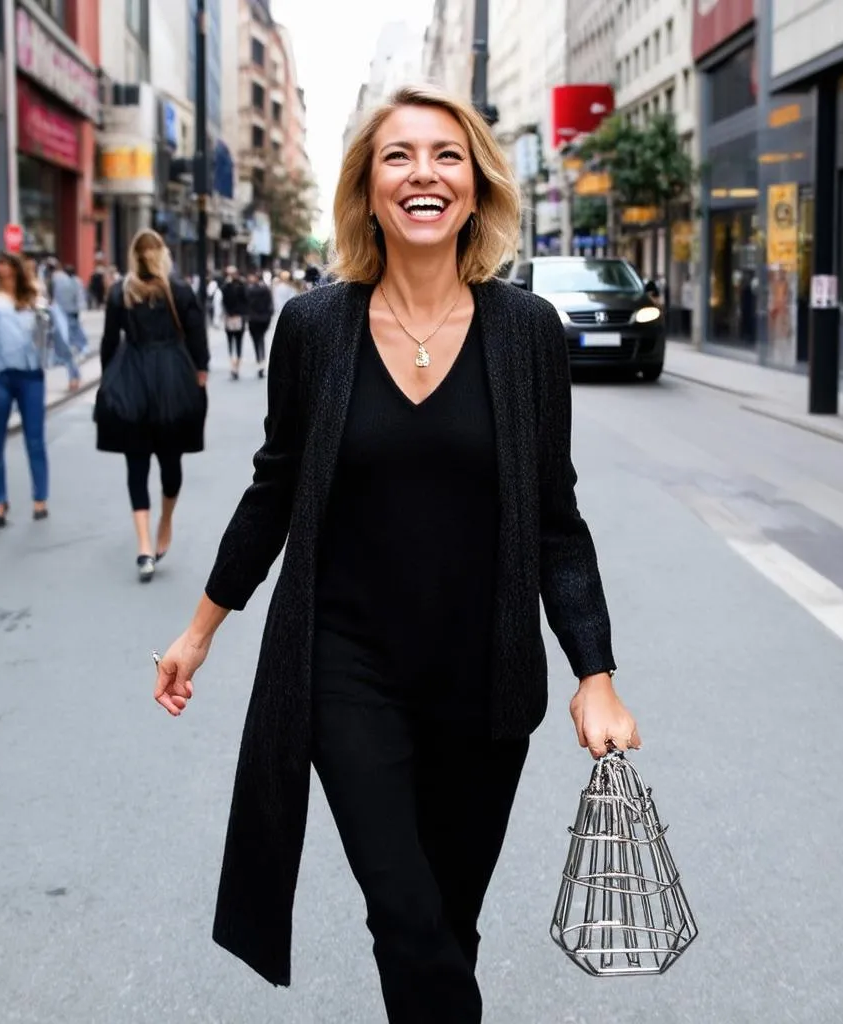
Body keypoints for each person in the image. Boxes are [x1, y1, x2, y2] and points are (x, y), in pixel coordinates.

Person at [152, 84, 639, 1023]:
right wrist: (201, 628)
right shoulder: (315, 328)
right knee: (406, 914)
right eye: (399, 156)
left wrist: (596, 671)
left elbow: (556, 520)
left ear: (477, 186)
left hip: (483, 678)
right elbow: (274, 490)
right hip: (348, 670)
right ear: (370, 190)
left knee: (447, 920)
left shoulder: (528, 333)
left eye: (447, 155)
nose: (425, 173)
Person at [96, 229, 209, 582]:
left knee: (138, 462)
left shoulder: (122, 292)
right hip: (171, 378)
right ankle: (155, 533)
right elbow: (196, 334)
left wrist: (109, 379)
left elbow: (108, 341)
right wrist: (200, 371)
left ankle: (148, 541)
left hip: (134, 378)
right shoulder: (178, 290)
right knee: (166, 460)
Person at [0, 252, 80, 528]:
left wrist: (71, 367)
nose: (1, 270)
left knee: (34, 439)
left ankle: (40, 498)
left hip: (31, 377)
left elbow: (56, 337)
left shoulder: (35, 301)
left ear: (16, 270)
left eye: (5, 265)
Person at [52, 262, 88, 356]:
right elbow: (80, 295)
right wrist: (82, 307)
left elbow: (56, 294)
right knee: (74, 327)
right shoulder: (76, 281)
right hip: (72, 309)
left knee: (69, 328)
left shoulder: (59, 280)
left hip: (63, 308)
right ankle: (80, 345)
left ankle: (76, 345)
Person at [220, 266, 248, 380]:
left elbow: (244, 300)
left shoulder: (239, 286)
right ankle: (233, 366)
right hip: (232, 317)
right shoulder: (228, 287)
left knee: (236, 342)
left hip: (236, 317)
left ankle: (236, 366)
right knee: (233, 342)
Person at [245, 271, 274, 378]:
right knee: (261, 339)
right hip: (264, 319)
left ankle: (259, 360)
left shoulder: (249, 290)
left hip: (253, 319)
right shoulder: (266, 289)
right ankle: (261, 361)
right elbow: (270, 305)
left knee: (256, 340)